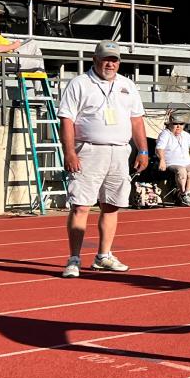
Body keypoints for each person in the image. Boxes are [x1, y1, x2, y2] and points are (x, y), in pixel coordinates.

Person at [58, 41, 147, 278]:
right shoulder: (79, 84)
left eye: (115, 59)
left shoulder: (127, 85)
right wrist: (69, 152)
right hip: (88, 151)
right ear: (95, 59)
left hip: (119, 152)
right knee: (81, 205)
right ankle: (74, 258)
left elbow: (137, 120)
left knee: (112, 205)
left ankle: (103, 256)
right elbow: (66, 120)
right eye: (106, 59)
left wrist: (143, 150)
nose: (111, 64)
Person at [155, 112, 190, 206]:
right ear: (170, 124)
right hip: (171, 163)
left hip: (185, 163)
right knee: (181, 170)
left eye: (181, 124)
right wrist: (162, 160)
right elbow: (159, 148)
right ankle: (183, 195)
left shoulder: (185, 135)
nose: (178, 126)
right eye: (175, 124)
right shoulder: (165, 134)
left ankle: (185, 194)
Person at [0, 0, 44, 70]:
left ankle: (39, 75)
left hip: (6, 57)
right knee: (36, 61)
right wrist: (14, 45)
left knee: (33, 46)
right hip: (2, 60)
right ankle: (42, 77)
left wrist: (12, 45)